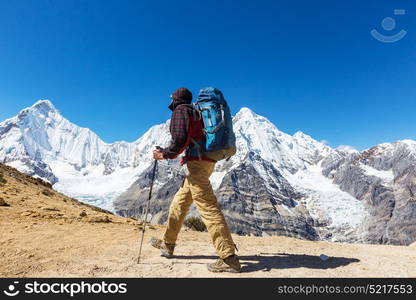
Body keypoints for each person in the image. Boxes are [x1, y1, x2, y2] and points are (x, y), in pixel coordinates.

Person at [150, 87, 241, 273]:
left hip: (196, 164)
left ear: (175, 98)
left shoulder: (181, 111)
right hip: (206, 161)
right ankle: (168, 243)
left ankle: (228, 257)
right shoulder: (195, 111)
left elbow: (180, 139)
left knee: (207, 207)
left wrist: (164, 154)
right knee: (180, 203)